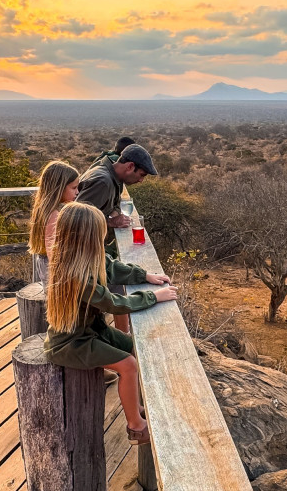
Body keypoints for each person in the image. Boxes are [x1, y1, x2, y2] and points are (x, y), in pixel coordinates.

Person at [44, 203, 177, 445]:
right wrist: (153, 297)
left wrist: (144, 276)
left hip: (91, 330)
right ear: (86, 237)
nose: (104, 234)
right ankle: (136, 426)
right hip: (70, 343)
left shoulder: (85, 257)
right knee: (128, 365)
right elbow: (113, 303)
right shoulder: (75, 274)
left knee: (134, 347)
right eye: (99, 231)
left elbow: (113, 268)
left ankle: (134, 406)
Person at [77, 143, 161, 332]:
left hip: (90, 251)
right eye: (141, 175)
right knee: (114, 289)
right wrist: (111, 222)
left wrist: (112, 215)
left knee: (114, 287)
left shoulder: (112, 176)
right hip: (82, 254)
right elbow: (77, 220)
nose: (141, 181)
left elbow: (101, 208)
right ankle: (122, 337)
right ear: (130, 166)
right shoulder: (103, 181)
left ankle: (120, 335)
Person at [28, 160, 80, 288]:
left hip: (45, 264)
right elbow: (54, 256)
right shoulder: (54, 215)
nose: (77, 192)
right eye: (73, 188)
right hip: (54, 273)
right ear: (59, 187)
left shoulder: (44, 209)